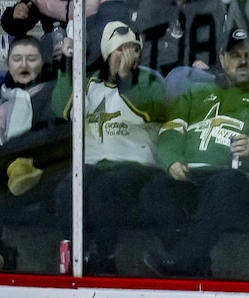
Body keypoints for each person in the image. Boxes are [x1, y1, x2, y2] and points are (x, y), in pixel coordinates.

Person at [141, 27, 249, 277]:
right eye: (236, 55)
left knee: (222, 186)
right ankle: (194, 265)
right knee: (154, 191)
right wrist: (172, 160)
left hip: (239, 179)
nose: (243, 61)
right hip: (192, 177)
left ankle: (184, 261)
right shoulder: (195, 93)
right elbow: (171, 131)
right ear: (223, 59)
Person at [53, 21, 170, 275]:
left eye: (135, 49)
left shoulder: (150, 80)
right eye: (122, 49)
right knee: (67, 190)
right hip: (93, 164)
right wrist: (65, 66)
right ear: (107, 54)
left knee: (105, 190)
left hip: (136, 164)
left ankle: (105, 257)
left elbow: (151, 112)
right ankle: (74, 255)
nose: (131, 55)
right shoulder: (89, 84)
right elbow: (63, 109)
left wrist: (127, 79)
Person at [0, 35, 67, 271]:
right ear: (8, 63)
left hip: (36, 173)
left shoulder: (53, 93)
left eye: (31, 59)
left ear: (43, 63)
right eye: (17, 59)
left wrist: (1, 153)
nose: (24, 65)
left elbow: (47, 137)